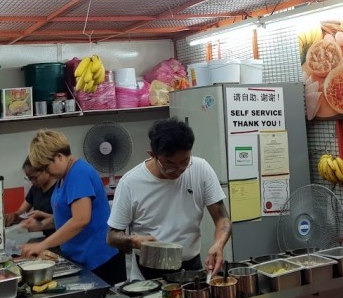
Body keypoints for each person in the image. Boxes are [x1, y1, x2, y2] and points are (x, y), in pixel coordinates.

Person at [107, 117, 232, 280]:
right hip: (149, 272)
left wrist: (219, 244)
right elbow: (112, 236)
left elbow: (222, 218)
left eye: (184, 162)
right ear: (152, 155)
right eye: (169, 164)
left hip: (190, 267)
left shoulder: (201, 169)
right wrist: (133, 241)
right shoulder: (130, 183)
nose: (178, 170)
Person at [20, 129, 126, 285]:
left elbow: (80, 219)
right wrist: (41, 224)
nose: (47, 173)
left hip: (100, 259)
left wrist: (43, 245)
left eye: (46, 167)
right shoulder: (63, 177)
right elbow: (67, 217)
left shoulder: (79, 173)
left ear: (59, 157)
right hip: (79, 258)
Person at [5, 157, 57, 237]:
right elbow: (21, 212)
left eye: (35, 178)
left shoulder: (59, 188)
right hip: (40, 236)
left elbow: (65, 218)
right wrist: (13, 216)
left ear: (46, 170)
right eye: (29, 178)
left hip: (57, 237)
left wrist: (42, 215)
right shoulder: (35, 188)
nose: (32, 182)